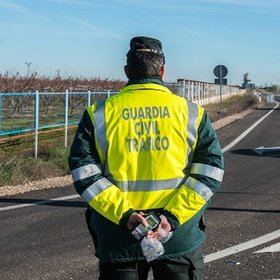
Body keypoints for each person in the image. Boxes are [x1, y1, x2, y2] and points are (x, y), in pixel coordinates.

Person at [68, 36, 224, 280]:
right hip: (175, 236)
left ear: (127, 71)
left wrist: (125, 215)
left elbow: (83, 172)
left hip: (119, 235)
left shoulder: (99, 113)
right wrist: (171, 218)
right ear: (162, 70)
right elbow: (210, 172)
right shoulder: (191, 113)